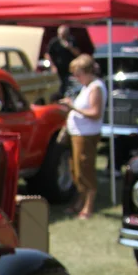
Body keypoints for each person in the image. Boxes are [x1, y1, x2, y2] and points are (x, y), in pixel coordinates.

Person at [59, 54, 106, 219]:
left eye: (78, 74)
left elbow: (95, 113)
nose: (76, 78)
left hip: (87, 135)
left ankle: (88, 206)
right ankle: (80, 201)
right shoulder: (87, 87)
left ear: (87, 72)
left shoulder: (96, 87)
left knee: (85, 170)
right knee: (76, 170)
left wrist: (73, 107)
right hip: (78, 134)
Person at [46, 25, 81, 98]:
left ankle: (68, 97)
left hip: (69, 69)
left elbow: (78, 54)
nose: (62, 36)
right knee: (57, 85)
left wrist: (70, 47)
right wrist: (52, 66)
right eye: (60, 34)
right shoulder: (54, 41)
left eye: (64, 35)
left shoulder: (71, 40)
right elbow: (48, 54)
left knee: (69, 85)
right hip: (58, 69)